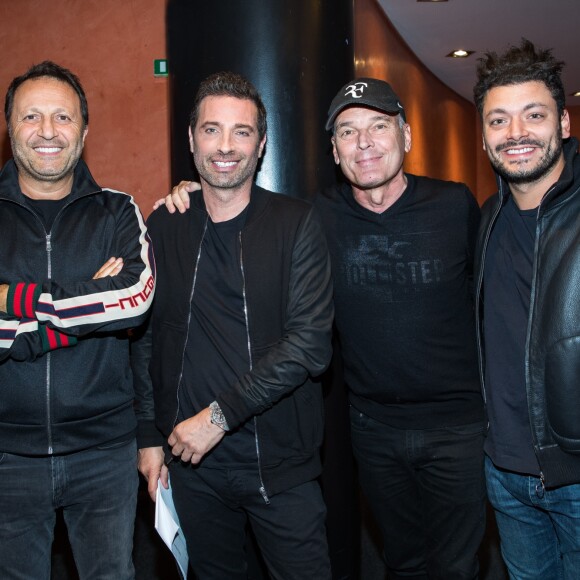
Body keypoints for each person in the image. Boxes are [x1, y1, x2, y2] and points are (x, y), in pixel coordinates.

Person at [161, 77, 486, 579]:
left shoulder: (456, 204)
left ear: (407, 136)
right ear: (334, 150)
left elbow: (485, 299)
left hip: (458, 425)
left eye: (379, 127)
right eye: (349, 132)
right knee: (402, 560)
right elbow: (235, 200)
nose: (365, 143)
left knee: (460, 564)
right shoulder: (319, 217)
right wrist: (187, 192)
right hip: (373, 427)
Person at [134, 71, 334, 579]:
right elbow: (144, 339)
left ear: (262, 143)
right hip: (191, 466)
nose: (225, 146)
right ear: (191, 138)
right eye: (211, 130)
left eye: (241, 132)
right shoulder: (164, 224)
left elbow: (309, 346)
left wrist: (216, 419)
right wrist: (148, 436)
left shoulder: (296, 224)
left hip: (280, 467)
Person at [0, 61, 155, 580]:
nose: (47, 131)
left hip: (104, 453)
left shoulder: (117, 212)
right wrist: (91, 300)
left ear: (84, 132)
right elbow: (109, 304)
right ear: (10, 128)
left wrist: (15, 303)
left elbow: (133, 298)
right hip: (7, 457)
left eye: (62, 117)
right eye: (31, 117)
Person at [473, 39, 580, 579]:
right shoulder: (486, 218)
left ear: (562, 123)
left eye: (532, 115)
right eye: (499, 120)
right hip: (505, 472)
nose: (515, 134)